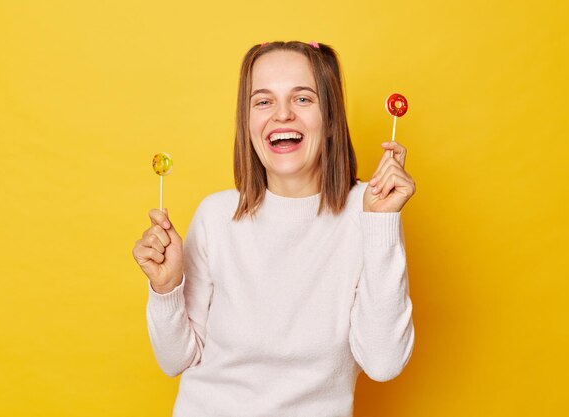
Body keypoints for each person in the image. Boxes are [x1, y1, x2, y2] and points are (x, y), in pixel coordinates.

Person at [132, 40, 416, 417]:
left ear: (330, 120)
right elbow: (174, 361)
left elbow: (384, 362)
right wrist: (166, 289)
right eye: (263, 101)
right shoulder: (216, 216)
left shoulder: (368, 211)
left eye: (302, 99)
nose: (282, 115)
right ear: (247, 122)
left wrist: (381, 223)